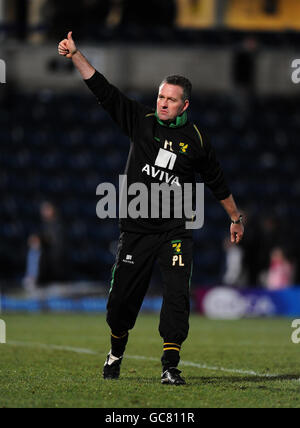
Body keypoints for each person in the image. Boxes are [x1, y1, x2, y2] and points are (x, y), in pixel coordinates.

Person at [58, 32, 244, 385]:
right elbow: (104, 91)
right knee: (120, 304)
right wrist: (76, 55)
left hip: (175, 231)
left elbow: (217, 182)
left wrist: (235, 217)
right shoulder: (140, 123)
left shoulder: (198, 141)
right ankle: (115, 352)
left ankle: (170, 366)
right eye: (160, 96)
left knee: (177, 296)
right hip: (137, 230)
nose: (162, 103)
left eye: (171, 99)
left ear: (184, 106)